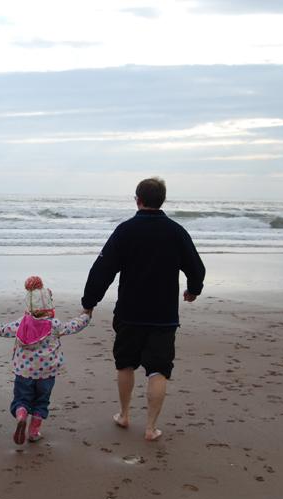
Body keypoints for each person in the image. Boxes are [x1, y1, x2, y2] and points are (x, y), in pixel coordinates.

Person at [81, 177, 205, 441]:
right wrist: (194, 289)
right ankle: (150, 427)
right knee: (159, 369)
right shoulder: (176, 231)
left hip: (129, 312)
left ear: (137, 199)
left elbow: (103, 269)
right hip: (164, 315)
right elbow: (196, 266)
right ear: (162, 200)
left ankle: (124, 415)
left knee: (125, 364)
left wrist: (89, 302)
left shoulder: (126, 230)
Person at [0, 276, 90, 445]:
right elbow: (72, 327)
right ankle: (33, 432)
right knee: (42, 402)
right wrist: (86, 316)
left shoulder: (21, 324)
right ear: (49, 305)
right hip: (47, 374)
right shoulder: (54, 324)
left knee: (21, 399)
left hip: (24, 373)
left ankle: (21, 414)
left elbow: (2, 330)